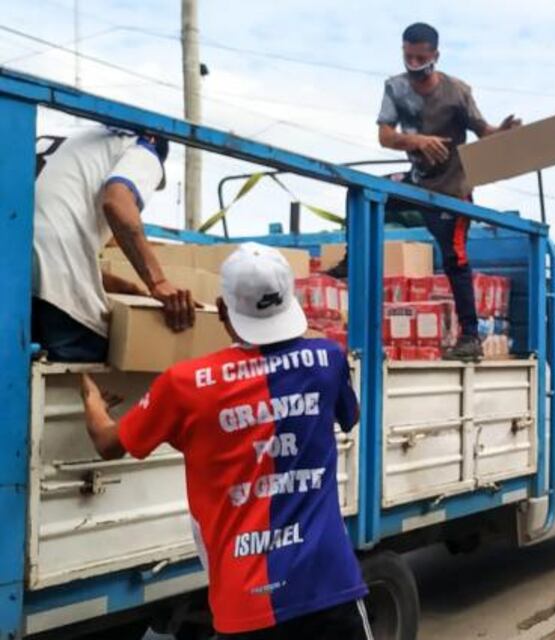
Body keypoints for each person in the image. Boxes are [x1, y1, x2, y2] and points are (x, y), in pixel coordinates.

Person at [79, 243, 371, 639]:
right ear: (290, 301)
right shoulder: (327, 359)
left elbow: (107, 443)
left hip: (245, 603)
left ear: (220, 310)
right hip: (328, 585)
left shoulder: (183, 386)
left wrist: (91, 400)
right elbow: (349, 417)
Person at [376, 22, 521, 361]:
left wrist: (502, 131)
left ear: (435, 56)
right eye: (407, 56)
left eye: (420, 58)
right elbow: (384, 136)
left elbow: (484, 130)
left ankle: (470, 337)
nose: (413, 64)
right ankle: (352, 260)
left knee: (455, 258)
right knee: (369, 196)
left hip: (453, 189)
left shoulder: (457, 92)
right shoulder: (395, 88)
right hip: (417, 180)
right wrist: (415, 140)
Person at [33, 126, 195, 362]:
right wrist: (158, 281)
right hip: (53, 287)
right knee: (101, 351)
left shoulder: (68, 145)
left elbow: (44, 237)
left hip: (14, 275)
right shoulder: (142, 146)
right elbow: (117, 202)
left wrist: (126, 288)